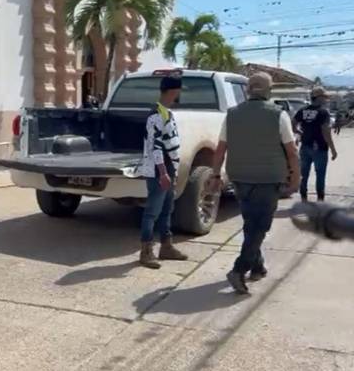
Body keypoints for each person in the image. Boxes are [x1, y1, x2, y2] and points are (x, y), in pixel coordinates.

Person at [209, 72, 300, 294]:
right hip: (268, 179)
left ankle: (257, 268)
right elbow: (291, 152)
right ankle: (239, 270)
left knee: (251, 223)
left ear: (248, 90)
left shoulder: (232, 115)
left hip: (239, 177)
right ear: (269, 90)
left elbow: (220, 149)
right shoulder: (278, 115)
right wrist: (296, 179)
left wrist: (215, 175)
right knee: (260, 226)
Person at [138, 72, 188, 269]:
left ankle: (166, 247)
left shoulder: (167, 112)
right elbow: (155, 147)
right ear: (173, 91)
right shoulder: (155, 115)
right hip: (159, 170)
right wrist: (164, 173)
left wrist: (172, 171)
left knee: (167, 210)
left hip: (169, 167)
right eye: (178, 91)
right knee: (152, 211)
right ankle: (146, 251)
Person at [293, 87, 338, 202]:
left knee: (304, 174)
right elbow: (326, 132)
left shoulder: (302, 110)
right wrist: (333, 149)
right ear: (318, 98)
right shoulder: (323, 112)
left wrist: (299, 132)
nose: (326, 100)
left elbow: (293, 124)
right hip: (320, 148)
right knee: (320, 175)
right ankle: (320, 201)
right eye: (324, 97)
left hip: (305, 147)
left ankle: (303, 199)